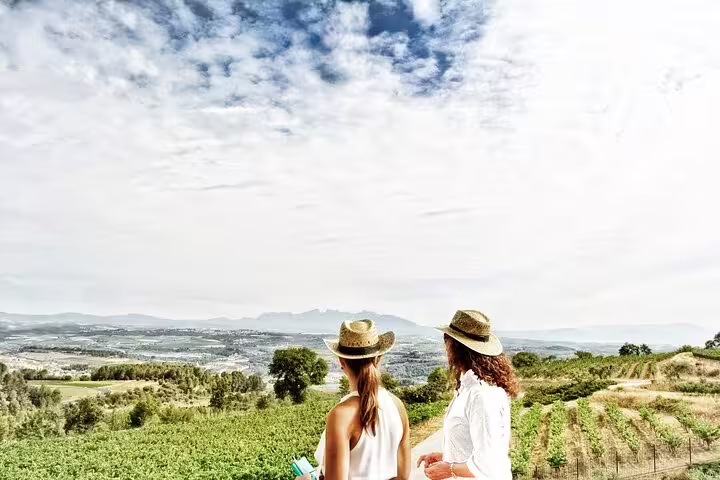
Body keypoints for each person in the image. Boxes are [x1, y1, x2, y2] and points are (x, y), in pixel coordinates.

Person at [417, 310, 520, 480]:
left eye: (446, 339)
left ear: (456, 347)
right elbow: (482, 449)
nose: (445, 346)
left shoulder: (481, 395)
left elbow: (488, 466)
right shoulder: (473, 389)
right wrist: (447, 457)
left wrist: (449, 469)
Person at [304, 319, 411, 480]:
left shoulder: (340, 415)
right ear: (379, 359)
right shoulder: (397, 406)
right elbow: (404, 477)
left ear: (341, 361)